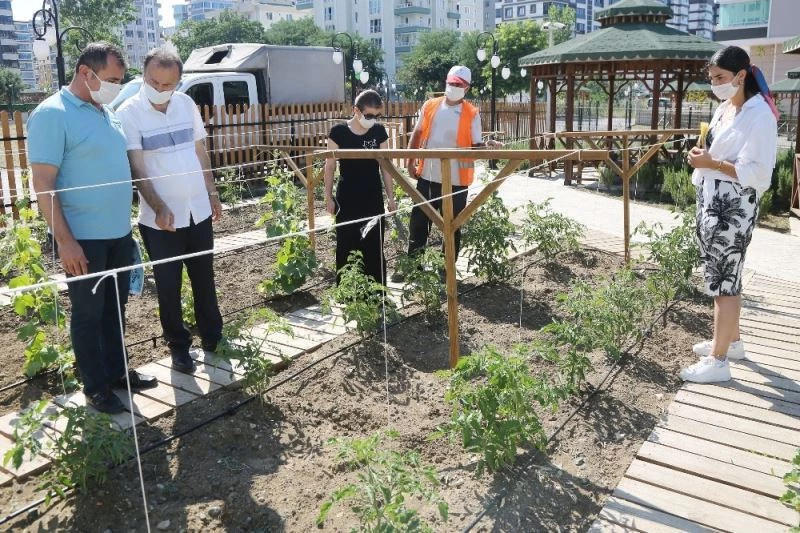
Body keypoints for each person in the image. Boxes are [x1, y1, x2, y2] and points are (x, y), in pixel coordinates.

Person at [28, 42, 157, 414]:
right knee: (87, 313)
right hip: (83, 239)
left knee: (114, 310)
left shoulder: (106, 111)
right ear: (87, 72)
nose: (118, 86)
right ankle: (96, 387)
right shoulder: (52, 114)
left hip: (117, 234)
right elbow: (44, 184)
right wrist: (65, 242)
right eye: (113, 79)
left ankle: (117, 373)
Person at [117, 45, 223, 374]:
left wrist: (212, 191)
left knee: (205, 276)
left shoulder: (186, 104)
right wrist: (159, 207)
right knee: (169, 284)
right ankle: (179, 348)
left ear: (178, 81)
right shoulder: (129, 113)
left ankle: (213, 337)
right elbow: (138, 168)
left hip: (198, 210)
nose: (161, 90)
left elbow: (199, 150)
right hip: (159, 220)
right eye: (155, 82)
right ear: (144, 76)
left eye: (169, 85)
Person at [681, 45, 778, 384]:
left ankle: (718, 360)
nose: (715, 84)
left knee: (725, 283)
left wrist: (712, 163)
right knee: (721, 276)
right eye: (711, 78)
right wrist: (703, 155)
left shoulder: (759, 115)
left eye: (720, 78)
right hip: (713, 204)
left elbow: (759, 174)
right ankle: (731, 342)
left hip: (733, 209)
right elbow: (719, 154)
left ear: (740, 75)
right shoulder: (725, 109)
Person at [393, 65, 500, 281]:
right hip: (428, 175)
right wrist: (410, 160)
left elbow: (475, 147)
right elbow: (417, 133)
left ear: (467, 88)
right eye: (451, 83)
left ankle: (446, 268)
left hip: (457, 180)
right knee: (419, 222)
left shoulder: (471, 113)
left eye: (458, 84)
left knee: (452, 226)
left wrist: (488, 146)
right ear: (446, 82)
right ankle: (413, 266)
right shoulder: (430, 105)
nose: (453, 87)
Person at [324, 89, 396, 284]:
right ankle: (347, 290)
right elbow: (330, 166)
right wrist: (328, 197)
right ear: (356, 110)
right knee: (346, 241)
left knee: (373, 242)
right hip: (347, 195)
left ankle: (376, 291)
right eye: (369, 115)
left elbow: (385, 166)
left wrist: (391, 197)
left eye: (377, 115)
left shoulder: (379, 132)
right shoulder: (338, 132)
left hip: (372, 194)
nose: (373, 119)